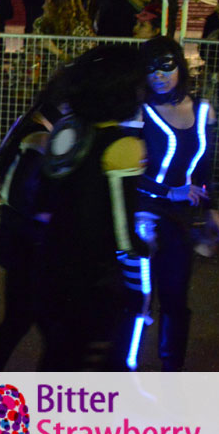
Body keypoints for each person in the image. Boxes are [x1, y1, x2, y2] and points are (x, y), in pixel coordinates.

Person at [37, 45, 147, 371]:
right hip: (93, 281)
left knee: (57, 359)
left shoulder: (66, 131)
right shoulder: (124, 146)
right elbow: (125, 236)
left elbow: (44, 200)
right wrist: (149, 247)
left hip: (49, 269)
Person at [135, 36, 219, 370]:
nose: (158, 74)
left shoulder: (202, 111)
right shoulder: (139, 113)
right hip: (141, 213)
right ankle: (120, 379)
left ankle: (172, 379)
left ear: (180, 67)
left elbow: (203, 167)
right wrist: (169, 192)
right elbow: (127, 174)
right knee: (137, 300)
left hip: (179, 219)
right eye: (150, 68)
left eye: (166, 65)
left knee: (174, 299)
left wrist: (211, 209)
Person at [0, 70, 70, 371]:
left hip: (20, 243)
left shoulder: (33, 123)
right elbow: (27, 196)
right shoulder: (41, 137)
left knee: (24, 324)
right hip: (31, 247)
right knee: (40, 328)